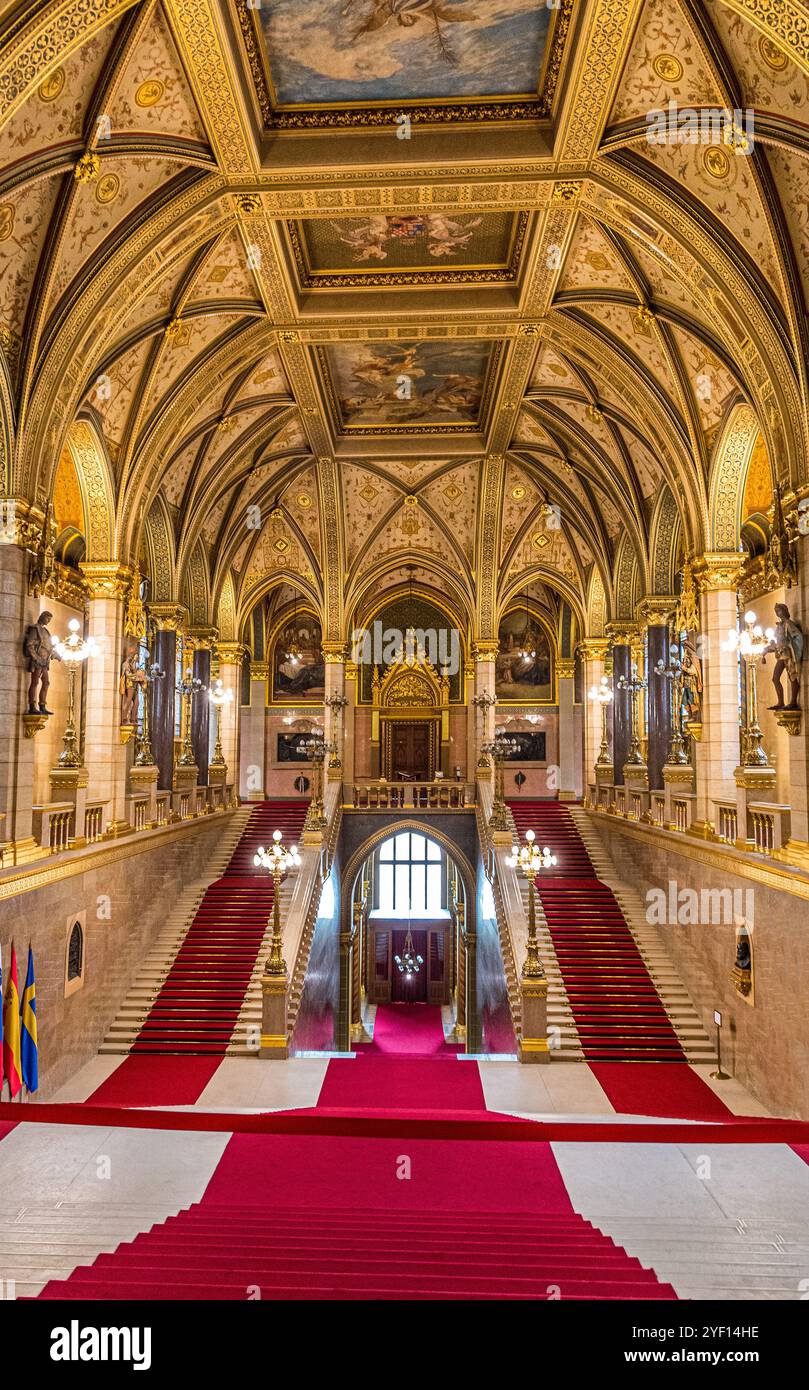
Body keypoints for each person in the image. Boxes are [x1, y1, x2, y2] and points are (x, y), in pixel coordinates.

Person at [764, 603, 804, 710]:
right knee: (775, 678)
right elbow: (778, 643)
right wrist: (770, 648)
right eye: (776, 611)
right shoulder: (780, 625)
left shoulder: (788, 624)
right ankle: (780, 702)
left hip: (788, 655)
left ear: (784, 611)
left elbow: (798, 636)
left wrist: (792, 647)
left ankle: (793, 701)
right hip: (781, 655)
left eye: (779, 610)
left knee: (792, 677)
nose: (778, 613)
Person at [23, 611, 60, 714]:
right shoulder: (35, 629)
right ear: (43, 617)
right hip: (37, 661)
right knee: (35, 682)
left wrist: (56, 655)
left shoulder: (46, 631)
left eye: (50, 619)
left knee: (46, 683)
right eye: (48, 619)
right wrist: (36, 658)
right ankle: (32, 706)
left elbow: (48, 647)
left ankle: (42, 705)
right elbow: (30, 645)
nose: (48, 621)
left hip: (45, 661)